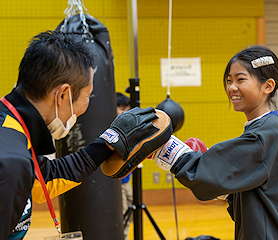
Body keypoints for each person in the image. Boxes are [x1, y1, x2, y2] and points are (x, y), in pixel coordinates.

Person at [0, 30, 159, 240]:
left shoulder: (13, 129)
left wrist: (107, 144)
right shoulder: (11, 163)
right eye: (87, 96)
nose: (87, 104)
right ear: (63, 94)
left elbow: (43, 180)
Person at [151, 45, 278, 239]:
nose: (232, 87)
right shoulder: (267, 127)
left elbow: (203, 174)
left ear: (268, 86)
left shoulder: (264, 134)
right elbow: (256, 193)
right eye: (229, 81)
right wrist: (228, 193)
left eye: (240, 79)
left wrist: (165, 148)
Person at [116, 92, 132, 240]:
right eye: (121, 109)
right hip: (116, 182)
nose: (124, 113)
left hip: (127, 180)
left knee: (132, 207)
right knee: (122, 210)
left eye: (127, 110)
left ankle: (125, 233)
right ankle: (123, 236)